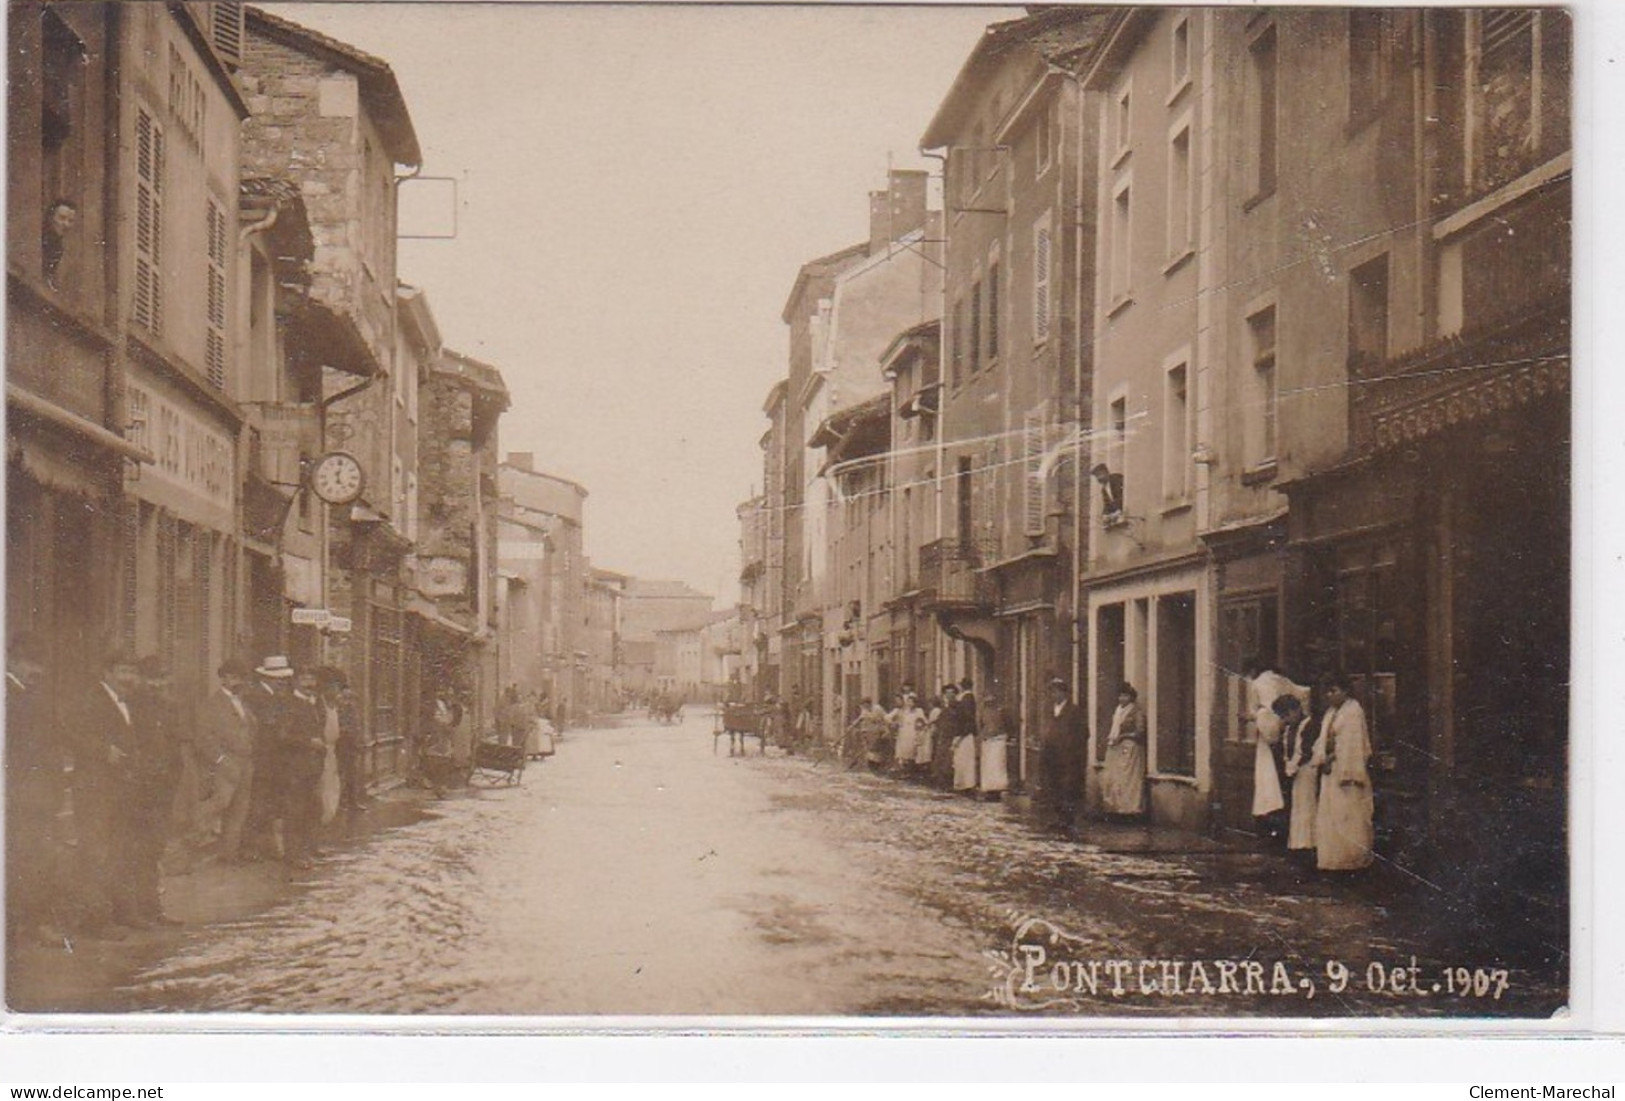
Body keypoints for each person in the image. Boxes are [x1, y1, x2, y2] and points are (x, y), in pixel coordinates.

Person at [66, 650, 142, 938]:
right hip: (95, 789)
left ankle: (117, 913)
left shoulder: (127, 701)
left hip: (120, 789)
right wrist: (102, 750)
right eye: (123, 671)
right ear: (107, 673)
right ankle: (96, 922)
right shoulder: (91, 698)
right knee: (95, 852)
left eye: (132, 672)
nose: (129, 678)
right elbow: (71, 730)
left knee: (117, 850)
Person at [6, 633, 71, 949]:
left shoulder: (31, 694)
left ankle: (30, 923)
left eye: (40, 665)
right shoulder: (9, 696)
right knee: (22, 860)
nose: (38, 671)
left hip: (39, 796)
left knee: (36, 861)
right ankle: (22, 925)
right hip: (20, 797)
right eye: (31, 663)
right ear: (13, 661)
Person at [117, 657, 186, 927]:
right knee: (133, 850)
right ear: (142, 680)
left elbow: (175, 747)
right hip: (137, 788)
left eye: (162, 678)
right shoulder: (131, 706)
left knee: (154, 849)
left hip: (162, 789)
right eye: (152, 679)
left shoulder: (169, 707)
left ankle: (152, 909)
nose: (158, 685)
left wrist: (171, 781)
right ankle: (132, 911)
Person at [194, 657, 257, 861]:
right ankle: (192, 843)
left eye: (240, 678)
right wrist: (220, 759)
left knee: (239, 809)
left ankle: (229, 854)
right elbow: (203, 737)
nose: (236, 681)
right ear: (222, 678)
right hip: (225, 763)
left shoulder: (243, 704)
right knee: (219, 804)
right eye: (231, 677)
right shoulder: (212, 704)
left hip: (245, 762)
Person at [1311, 673, 1375, 872]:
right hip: (1331, 771)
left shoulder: (1353, 712)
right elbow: (1322, 740)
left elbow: (1352, 744)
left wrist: (1344, 765)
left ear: (1345, 691)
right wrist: (1322, 755)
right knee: (1331, 816)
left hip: (1346, 771)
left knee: (1349, 815)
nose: (1330, 695)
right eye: (1328, 691)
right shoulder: (1331, 712)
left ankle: (1352, 861)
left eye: (1334, 691)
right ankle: (1333, 861)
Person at [1243, 658, 1310, 840]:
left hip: (1269, 736)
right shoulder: (1283, 680)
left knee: (1268, 783)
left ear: (1253, 670)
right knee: (1284, 780)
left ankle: (1272, 828)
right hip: (1288, 730)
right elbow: (1304, 693)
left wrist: (1253, 716)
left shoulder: (1256, 684)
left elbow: (1258, 712)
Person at [245, 656, 295, 860]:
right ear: (266, 677)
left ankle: (267, 847)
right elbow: (261, 727)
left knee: (272, 803)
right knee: (259, 802)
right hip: (262, 757)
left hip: (275, 758)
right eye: (278, 677)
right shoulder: (256, 697)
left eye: (284, 677)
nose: (282, 681)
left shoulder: (278, 697)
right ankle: (251, 848)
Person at [279, 666, 328, 870]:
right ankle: (293, 854)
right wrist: (309, 742)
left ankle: (308, 849)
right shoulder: (290, 704)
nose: (309, 684)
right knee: (295, 811)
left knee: (313, 808)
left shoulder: (314, 703)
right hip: (295, 767)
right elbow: (283, 736)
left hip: (312, 766)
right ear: (296, 681)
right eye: (305, 679)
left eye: (312, 679)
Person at [1274, 694, 1318, 860]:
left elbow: (1305, 751)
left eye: (1287, 715)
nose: (1285, 720)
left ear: (1297, 709)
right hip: (1296, 773)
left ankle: (1310, 846)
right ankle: (1299, 846)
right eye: (1282, 717)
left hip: (1307, 771)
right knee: (1298, 808)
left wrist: (1292, 767)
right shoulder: (1289, 729)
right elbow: (1287, 751)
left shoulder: (1309, 725)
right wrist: (1288, 765)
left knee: (1308, 807)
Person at [1040, 676, 1085, 834]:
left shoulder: (1074, 711)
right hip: (1052, 756)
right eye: (1052, 692)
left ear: (1065, 693)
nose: (1054, 695)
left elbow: (1084, 733)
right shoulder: (1050, 710)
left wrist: (1073, 749)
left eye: (1057, 691)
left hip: (1068, 758)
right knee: (1055, 787)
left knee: (1068, 788)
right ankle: (1059, 819)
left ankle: (1069, 820)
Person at [320, 667, 368, 811]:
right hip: (342, 742)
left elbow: (354, 722)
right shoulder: (334, 702)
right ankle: (343, 801)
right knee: (341, 773)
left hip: (349, 742)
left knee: (349, 772)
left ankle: (349, 801)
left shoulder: (346, 701)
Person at [1100, 681, 1147, 817]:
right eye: (1120, 696)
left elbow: (1139, 732)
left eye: (1125, 696)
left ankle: (1130, 809)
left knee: (1129, 779)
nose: (1122, 699)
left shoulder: (1136, 712)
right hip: (1117, 748)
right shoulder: (1118, 711)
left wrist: (1123, 736)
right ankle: (1117, 808)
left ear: (1131, 698)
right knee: (1116, 777)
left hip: (1131, 748)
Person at [977, 700, 1011, 799]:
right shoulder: (998, 712)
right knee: (994, 766)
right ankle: (993, 789)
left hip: (994, 741)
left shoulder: (997, 713)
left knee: (994, 766)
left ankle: (993, 789)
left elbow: (981, 726)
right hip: (992, 741)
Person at [888, 690, 926, 775]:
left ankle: (911, 771)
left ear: (915, 703)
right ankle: (903, 770)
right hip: (904, 732)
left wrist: (919, 727)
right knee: (902, 752)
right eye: (908, 702)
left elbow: (922, 721)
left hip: (913, 732)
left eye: (912, 702)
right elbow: (899, 720)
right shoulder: (904, 711)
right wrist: (896, 724)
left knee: (911, 751)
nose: (910, 704)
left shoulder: (919, 711)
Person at [42, 198, 75, 289]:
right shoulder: (41, 239)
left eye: (70, 221)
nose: (66, 224)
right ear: (50, 217)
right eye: (62, 218)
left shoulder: (59, 246)